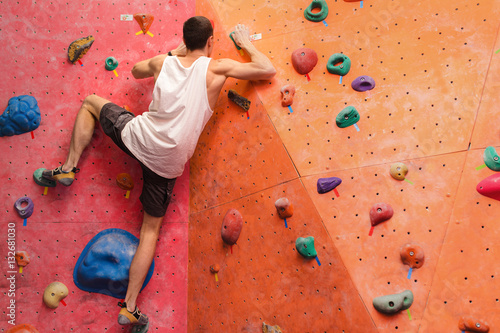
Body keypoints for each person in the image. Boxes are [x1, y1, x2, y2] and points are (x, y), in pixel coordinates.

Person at [41, 16, 276, 330]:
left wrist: (171, 54)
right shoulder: (216, 68)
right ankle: (130, 307)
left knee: (91, 103)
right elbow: (267, 69)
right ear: (209, 42)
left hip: (138, 137)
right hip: (167, 163)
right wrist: (246, 43)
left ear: (184, 40)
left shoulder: (163, 62)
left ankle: (68, 167)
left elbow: (136, 70)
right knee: (149, 232)